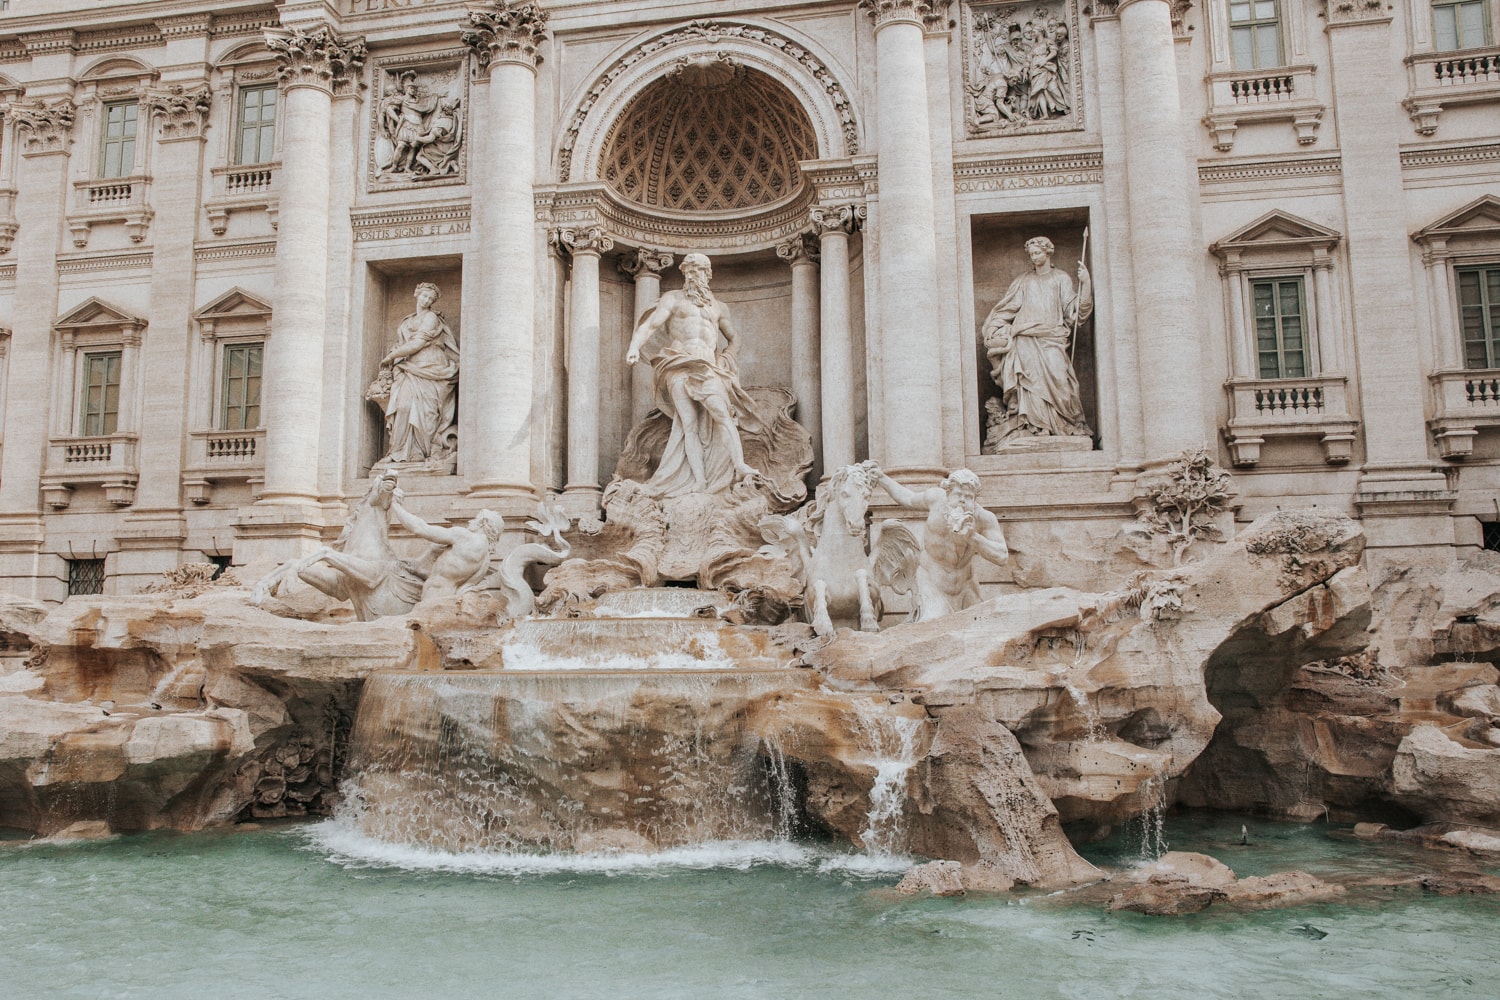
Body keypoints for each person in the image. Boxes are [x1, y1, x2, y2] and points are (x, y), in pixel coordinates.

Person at [625, 253, 763, 497]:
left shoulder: (718, 307)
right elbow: (651, 326)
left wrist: (726, 357)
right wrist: (634, 347)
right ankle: (699, 480)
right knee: (688, 424)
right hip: (678, 364)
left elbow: (734, 338)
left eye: (698, 270)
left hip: (707, 367)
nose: (692, 274)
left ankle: (739, 465)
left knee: (722, 415)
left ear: (707, 274)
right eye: (688, 270)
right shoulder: (673, 299)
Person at [981, 236, 1093, 444]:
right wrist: (995, 327)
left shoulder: (1061, 278)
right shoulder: (1023, 281)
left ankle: (1062, 424)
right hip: (1025, 339)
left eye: (1037, 253)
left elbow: (1075, 313)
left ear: (1048, 252)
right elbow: (1007, 309)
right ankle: (1032, 426)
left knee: (1060, 379)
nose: (1034, 257)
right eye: (1031, 254)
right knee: (1028, 384)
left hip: (1052, 338)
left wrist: (1085, 283)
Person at [871, 468, 1009, 622]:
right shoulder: (935, 499)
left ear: (975, 499)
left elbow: (1002, 556)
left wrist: (973, 537)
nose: (962, 500)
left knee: (978, 629)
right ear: (948, 494)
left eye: (968, 497)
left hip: (965, 585)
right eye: (957, 495)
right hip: (931, 581)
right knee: (933, 624)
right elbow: (908, 498)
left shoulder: (984, 518)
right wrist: (882, 478)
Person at [378, 282, 459, 465]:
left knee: (427, 412)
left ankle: (421, 452)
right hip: (410, 368)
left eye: (430, 298)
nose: (426, 300)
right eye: (424, 296)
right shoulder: (407, 321)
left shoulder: (431, 318)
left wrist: (391, 357)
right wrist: (396, 356)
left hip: (431, 367)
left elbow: (417, 344)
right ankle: (398, 451)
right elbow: (403, 344)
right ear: (416, 293)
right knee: (404, 406)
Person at [388, 499, 504, 601]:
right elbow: (450, 576)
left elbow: (420, 528)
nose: (470, 521)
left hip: (434, 598)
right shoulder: (485, 558)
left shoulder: (465, 537)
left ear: (483, 523)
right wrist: (419, 571)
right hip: (448, 597)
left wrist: (396, 505)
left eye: (475, 519)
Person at [382, 72, 435, 175]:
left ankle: (407, 167)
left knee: (413, 148)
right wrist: (398, 119)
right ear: (406, 89)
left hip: (418, 125)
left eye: (414, 88)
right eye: (411, 88)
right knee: (401, 146)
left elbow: (426, 106)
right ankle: (394, 166)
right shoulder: (401, 99)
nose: (413, 90)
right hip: (406, 125)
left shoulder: (418, 101)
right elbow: (389, 109)